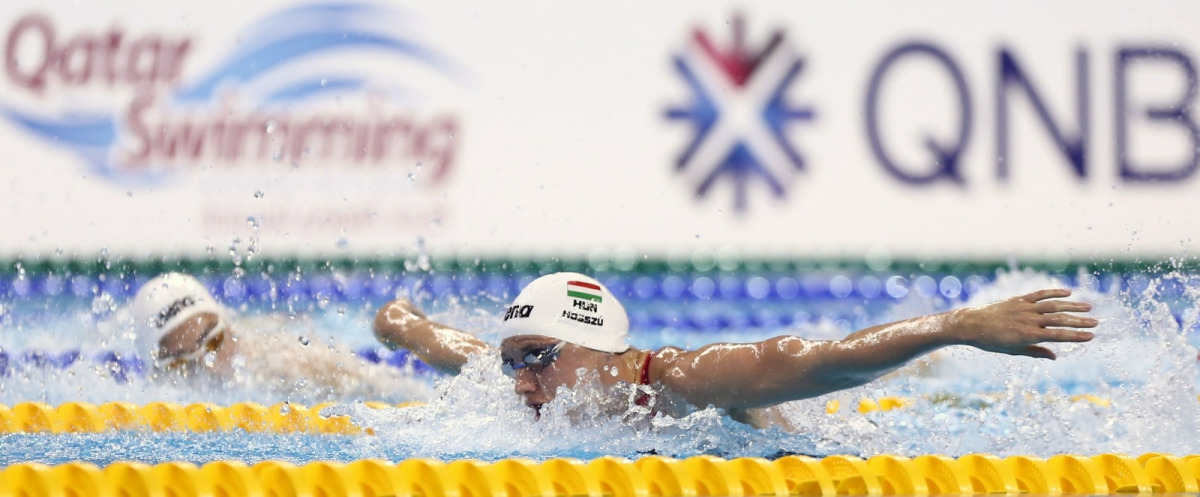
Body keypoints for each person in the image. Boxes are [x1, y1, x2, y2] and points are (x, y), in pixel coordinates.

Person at [373, 272, 1097, 427]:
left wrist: (960, 323)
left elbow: (820, 361)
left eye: (536, 356)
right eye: (511, 360)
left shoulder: (684, 379)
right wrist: (399, 321)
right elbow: (447, 344)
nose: (519, 380)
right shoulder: (541, 380)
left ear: (601, 350)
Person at [129, 272, 430, 402]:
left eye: (214, 343)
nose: (208, 367)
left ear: (230, 329)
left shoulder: (285, 364)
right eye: (181, 364)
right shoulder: (144, 397)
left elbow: (391, 388)